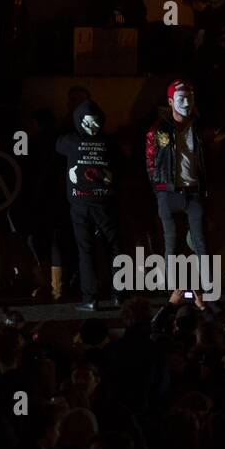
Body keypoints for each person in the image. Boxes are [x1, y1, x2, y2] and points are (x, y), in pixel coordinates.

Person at [57, 99, 125, 312]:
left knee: (85, 251)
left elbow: (57, 145)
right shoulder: (110, 141)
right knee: (114, 249)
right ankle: (119, 296)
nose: (93, 127)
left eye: (94, 123)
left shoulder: (69, 140)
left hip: (80, 204)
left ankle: (90, 298)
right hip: (105, 202)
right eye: (90, 123)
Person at [146, 80, 209, 265]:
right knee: (171, 245)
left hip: (193, 191)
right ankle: (173, 290)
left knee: (201, 244)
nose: (187, 104)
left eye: (190, 98)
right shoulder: (158, 129)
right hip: (168, 192)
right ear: (171, 101)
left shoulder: (198, 127)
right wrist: (159, 189)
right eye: (181, 99)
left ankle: (206, 289)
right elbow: (150, 161)